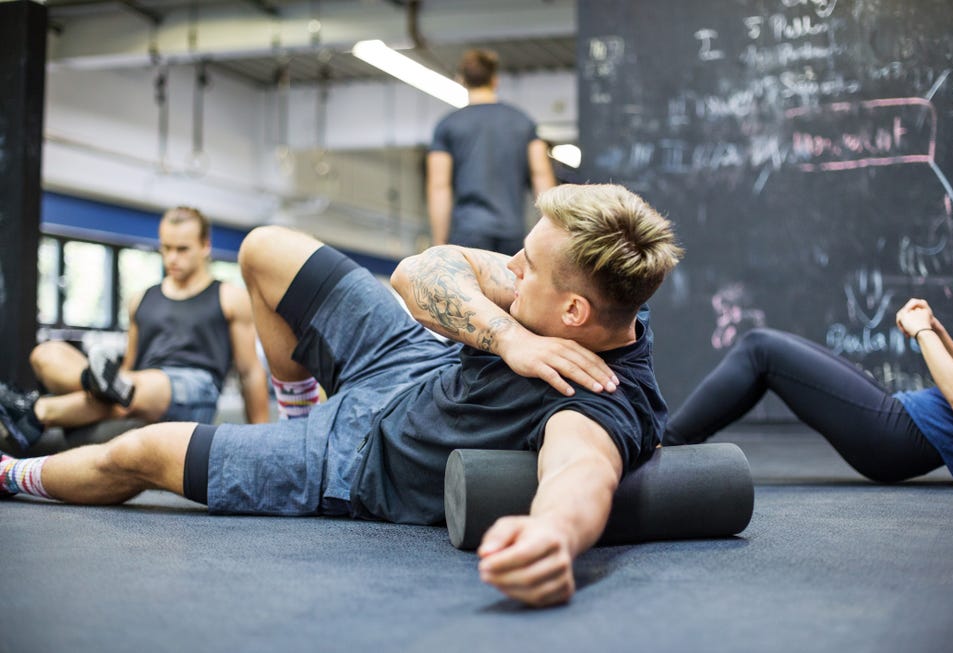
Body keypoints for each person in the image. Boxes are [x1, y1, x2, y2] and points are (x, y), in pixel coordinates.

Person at [0, 184, 682, 607]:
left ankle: (8, 472)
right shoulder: (562, 299)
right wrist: (508, 337)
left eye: (525, 268)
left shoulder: (601, 397)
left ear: (572, 313)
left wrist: (554, 536)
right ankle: (300, 409)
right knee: (265, 249)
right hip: (409, 359)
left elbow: (581, 471)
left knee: (142, 450)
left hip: (353, 458)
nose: (509, 268)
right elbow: (422, 272)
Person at [0, 207, 270, 453]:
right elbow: (129, 365)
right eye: (166, 248)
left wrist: (260, 442)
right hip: (135, 390)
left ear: (205, 246)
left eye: (182, 249)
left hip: (193, 389)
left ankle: (37, 410)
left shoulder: (230, 297)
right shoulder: (141, 299)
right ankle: (88, 388)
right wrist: (113, 385)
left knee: (139, 384)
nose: (172, 258)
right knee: (47, 353)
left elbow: (249, 373)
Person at [663, 299, 953, 486]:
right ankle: (668, 446)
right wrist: (937, 330)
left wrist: (922, 331)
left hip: (898, 437)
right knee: (762, 350)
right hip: (903, 418)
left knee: (761, 349)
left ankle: (663, 448)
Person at [427, 48, 557, 255]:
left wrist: (439, 242)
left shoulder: (447, 126)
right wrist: (552, 231)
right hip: (512, 232)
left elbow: (439, 187)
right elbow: (541, 175)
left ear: (462, 80)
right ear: (494, 80)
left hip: (467, 232)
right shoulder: (523, 122)